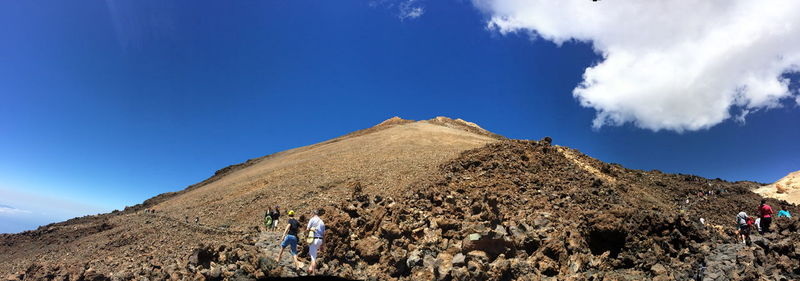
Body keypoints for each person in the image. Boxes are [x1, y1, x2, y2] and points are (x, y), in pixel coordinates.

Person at [306, 208, 326, 275]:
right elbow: (324, 234)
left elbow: (307, 229)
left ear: (314, 213)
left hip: (313, 240)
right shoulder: (322, 222)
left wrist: (310, 230)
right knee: (314, 255)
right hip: (320, 240)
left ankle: (314, 273)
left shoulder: (312, 219)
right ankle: (310, 269)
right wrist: (322, 245)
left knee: (313, 258)